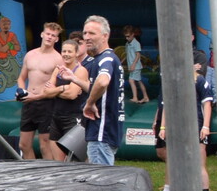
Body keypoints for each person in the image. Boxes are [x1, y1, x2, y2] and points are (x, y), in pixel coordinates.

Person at [156, 49, 214, 191]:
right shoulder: (172, 81)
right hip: (176, 126)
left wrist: (206, 126)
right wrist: (163, 127)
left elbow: (207, 104)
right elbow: (166, 105)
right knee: (173, 160)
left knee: (199, 161)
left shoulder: (199, 80)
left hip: (196, 125)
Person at [79, 14, 125, 166]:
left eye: (92, 33)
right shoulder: (102, 58)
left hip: (101, 130)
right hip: (106, 130)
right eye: (85, 33)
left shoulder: (106, 58)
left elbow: (103, 81)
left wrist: (89, 103)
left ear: (105, 36)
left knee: (100, 177)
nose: (87, 37)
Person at [14, 21, 65, 160]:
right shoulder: (30, 55)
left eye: (53, 35)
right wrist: (21, 91)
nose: (49, 37)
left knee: (44, 145)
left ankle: (48, 172)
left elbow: (56, 88)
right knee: (23, 144)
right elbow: (21, 78)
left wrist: (36, 96)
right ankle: (32, 170)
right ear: (42, 34)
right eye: (48, 34)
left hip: (46, 103)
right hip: (28, 103)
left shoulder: (58, 59)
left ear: (56, 39)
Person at [46, 37, 90, 161]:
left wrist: (55, 90)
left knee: (75, 161)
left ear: (76, 53)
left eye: (69, 51)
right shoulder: (57, 69)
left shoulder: (80, 70)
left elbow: (71, 95)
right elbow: (46, 92)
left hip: (73, 117)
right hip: (56, 117)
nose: (66, 54)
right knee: (58, 162)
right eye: (64, 51)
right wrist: (63, 88)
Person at [123, 24, 149, 104]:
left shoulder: (136, 43)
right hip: (132, 66)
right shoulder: (127, 44)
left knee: (131, 80)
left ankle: (135, 97)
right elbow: (127, 55)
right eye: (126, 36)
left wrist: (133, 65)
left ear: (133, 34)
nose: (127, 38)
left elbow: (138, 55)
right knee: (139, 81)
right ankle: (145, 97)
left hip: (136, 66)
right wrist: (121, 61)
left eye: (128, 36)